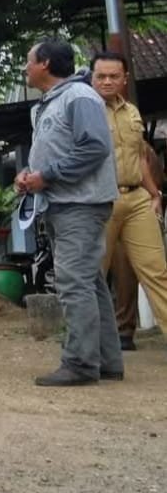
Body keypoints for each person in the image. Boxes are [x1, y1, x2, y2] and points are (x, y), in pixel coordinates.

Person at [16, 38, 121, 386]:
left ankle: (79, 363)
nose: (25, 68)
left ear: (44, 63)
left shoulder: (79, 97)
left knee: (74, 281)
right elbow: (59, 149)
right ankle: (106, 360)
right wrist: (31, 175)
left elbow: (95, 148)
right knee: (89, 281)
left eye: (28, 61)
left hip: (81, 204)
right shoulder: (52, 102)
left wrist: (46, 176)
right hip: (64, 202)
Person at [90, 52, 167, 353]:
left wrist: (154, 194)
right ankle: (89, 348)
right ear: (92, 78)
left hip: (136, 199)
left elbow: (138, 158)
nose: (107, 81)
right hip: (101, 199)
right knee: (93, 275)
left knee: (157, 271)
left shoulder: (132, 112)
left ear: (124, 79)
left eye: (113, 76)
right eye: (101, 76)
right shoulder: (86, 110)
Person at [110, 131, 165, 349]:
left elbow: (155, 178)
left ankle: (124, 329)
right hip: (111, 204)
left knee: (145, 273)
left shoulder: (142, 149)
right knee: (119, 274)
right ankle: (121, 329)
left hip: (136, 207)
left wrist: (153, 196)